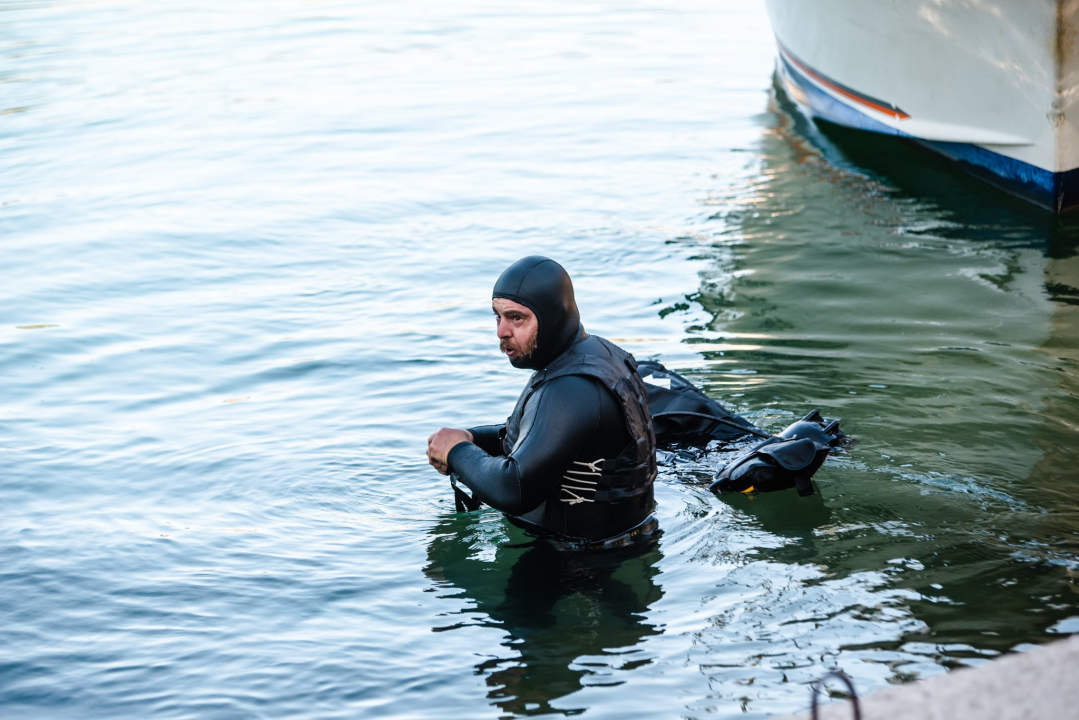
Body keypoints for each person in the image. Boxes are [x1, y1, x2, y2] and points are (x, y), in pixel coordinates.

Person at [426, 256, 658, 549]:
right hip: (622, 543)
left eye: (516, 318)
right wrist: (470, 438)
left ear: (552, 318)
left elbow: (514, 489)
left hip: (577, 563)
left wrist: (457, 452)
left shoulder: (571, 389)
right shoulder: (597, 355)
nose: (501, 331)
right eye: (498, 316)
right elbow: (540, 437)